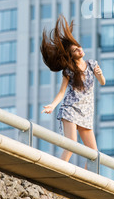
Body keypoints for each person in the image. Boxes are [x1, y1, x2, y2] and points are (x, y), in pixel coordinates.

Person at [40, 14, 105, 163]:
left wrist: (100, 75)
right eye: (76, 50)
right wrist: (52, 105)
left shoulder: (92, 64)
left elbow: (102, 82)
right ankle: (57, 171)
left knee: (94, 155)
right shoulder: (69, 71)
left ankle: (89, 181)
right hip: (71, 109)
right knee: (71, 145)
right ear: (71, 55)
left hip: (86, 112)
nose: (80, 50)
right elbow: (62, 91)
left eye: (79, 47)